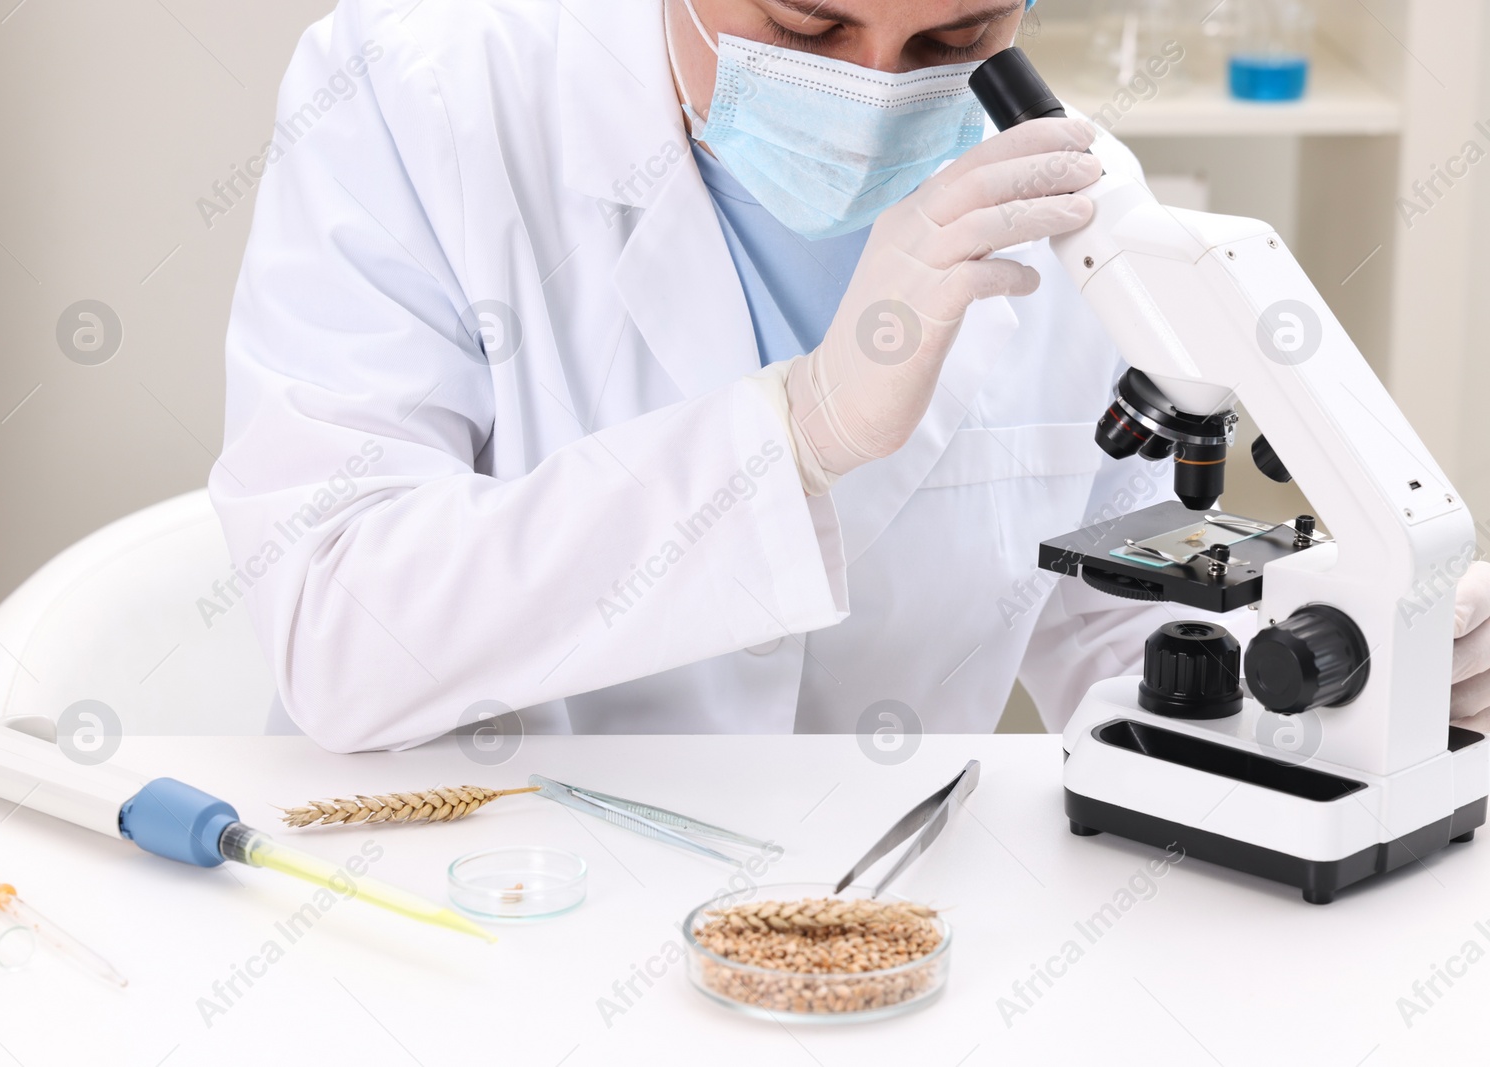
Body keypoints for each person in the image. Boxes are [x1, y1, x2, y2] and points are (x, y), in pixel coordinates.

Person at [211, 0, 1490, 751]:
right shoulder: (413, 88)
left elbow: (1112, 608)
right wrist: (800, 430)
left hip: (882, 925)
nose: (872, 89)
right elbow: (334, 625)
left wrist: (1339, 675)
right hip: (477, 902)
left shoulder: (1064, 195)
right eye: (805, 22)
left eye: (953, 33)